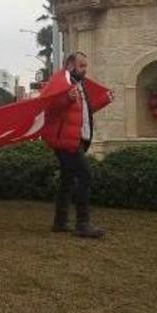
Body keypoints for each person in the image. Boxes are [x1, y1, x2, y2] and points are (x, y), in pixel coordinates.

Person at [42, 52, 112, 239]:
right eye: (82, 66)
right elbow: (48, 107)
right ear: (71, 66)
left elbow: (83, 112)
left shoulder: (78, 85)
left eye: (85, 66)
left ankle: (60, 222)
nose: (85, 70)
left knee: (67, 180)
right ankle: (82, 224)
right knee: (85, 177)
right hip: (66, 142)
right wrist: (66, 99)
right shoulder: (62, 84)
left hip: (73, 140)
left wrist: (104, 99)